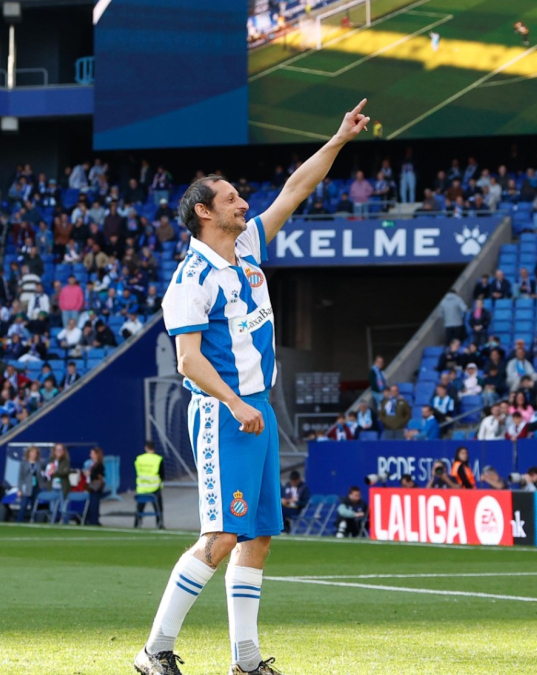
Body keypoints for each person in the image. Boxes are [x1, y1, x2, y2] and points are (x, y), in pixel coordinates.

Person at [139, 101, 369, 675]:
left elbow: (294, 188)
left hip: (255, 410)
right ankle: (154, 651)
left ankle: (245, 659)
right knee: (220, 535)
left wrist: (338, 138)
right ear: (203, 212)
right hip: (223, 414)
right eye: (232, 198)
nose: (245, 202)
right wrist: (238, 403)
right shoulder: (190, 282)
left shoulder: (246, 250)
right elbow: (189, 362)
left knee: (260, 535)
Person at [134, 440, 165, 529]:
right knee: (158, 508)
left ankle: (137, 524)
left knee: (139, 508)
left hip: (142, 488)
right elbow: (162, 474)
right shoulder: (158, 459)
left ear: (146, 448)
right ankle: (159, 524)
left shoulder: (139, 459)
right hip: (154, 488)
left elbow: (137, 471)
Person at [42, 443, 72, 524]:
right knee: (52, 506)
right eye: (57, 450)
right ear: (54, 451)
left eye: (61, 450)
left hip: (62, 487)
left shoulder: (66, 461)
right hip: (53, 486)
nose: (59, 451)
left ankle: (65, 522)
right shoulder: (51, 460)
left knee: (63, 507)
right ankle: (52, 521)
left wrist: (55, 471)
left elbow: (65, 472)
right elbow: (48, 472)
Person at [16, 445, 44, 523]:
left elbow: (42, 475)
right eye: (32, 452)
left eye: (35, 453)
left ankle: (33, 521)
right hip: (26, 487)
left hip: (36, 487)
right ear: (29, 453)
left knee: (34, 506)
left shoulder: (39, 464)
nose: (34, 454)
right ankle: (19, 521)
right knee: (23, 505)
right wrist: (20, 489)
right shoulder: (24, 463)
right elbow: (20, 477)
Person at [84, 446, 107, 526]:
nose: (90, 455)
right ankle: (89, 519)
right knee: (91, 503)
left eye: (92, 453)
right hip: (91, 486)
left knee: (94, 503)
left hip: (95, 487)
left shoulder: (99, 465)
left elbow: (101, 475)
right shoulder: (91, 464)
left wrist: (90, 474)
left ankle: (94, 520)